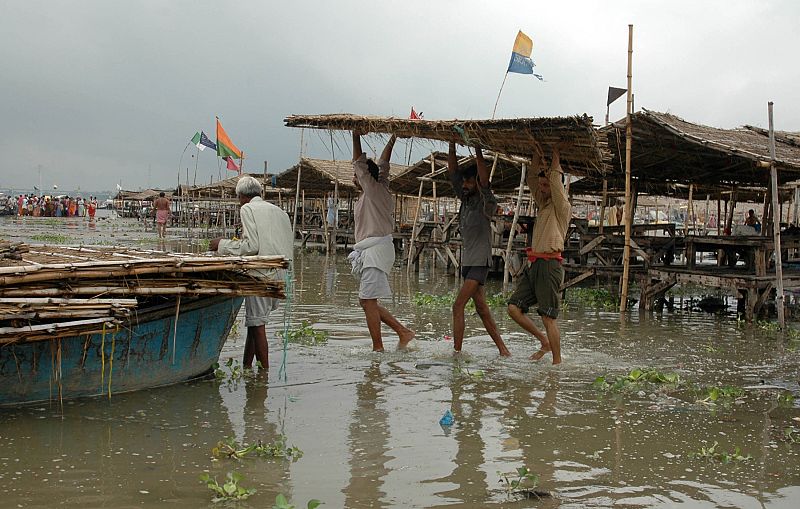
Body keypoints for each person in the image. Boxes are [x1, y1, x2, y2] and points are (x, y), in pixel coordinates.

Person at [210, 175, 294, 370]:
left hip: (262, 273)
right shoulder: (279, 211)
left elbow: (251, 246)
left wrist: (221, 244)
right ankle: (247, 366)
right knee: (254, 323)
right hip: (282, 273)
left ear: (241, 197)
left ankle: (264, 375)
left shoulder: (247, 208)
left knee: (257, 325)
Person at [349, 130, 415, 352]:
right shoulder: (380, 187)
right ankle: (403, 332)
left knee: (368, 301)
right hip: (375, 250)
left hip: (376, 251)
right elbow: (384, 164)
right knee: (366, 301)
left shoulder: (374, 190)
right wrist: (393, 138)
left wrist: (355, 136)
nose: (354, 177)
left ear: (365, 177)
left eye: (357, 175)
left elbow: (361, 165)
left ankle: (378, 348)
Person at [507, 145, 571, 364]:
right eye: (542, 186)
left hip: (550, 265)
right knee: (513, 308)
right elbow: (533, 180)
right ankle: (543, 341)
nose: (543, 189)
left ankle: (557, 362)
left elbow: (555, 181)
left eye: (547, 186)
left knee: (548, 316)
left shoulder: (562, 206)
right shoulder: (542, 206)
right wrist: (535, 154)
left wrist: (555, 156)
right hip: (536, 265)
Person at [447, 142, 510, 357]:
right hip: (468, 262)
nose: (464, 184)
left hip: (480, 261)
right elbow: (452, 172)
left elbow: (484, 181)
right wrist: (452, 144)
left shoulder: (485, 201)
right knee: (482, 310)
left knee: (458, 306)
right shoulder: (464, 199)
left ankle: (456, 353)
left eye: (468, 181)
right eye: (464, 181)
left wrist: (478, 151)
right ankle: (504, 350)